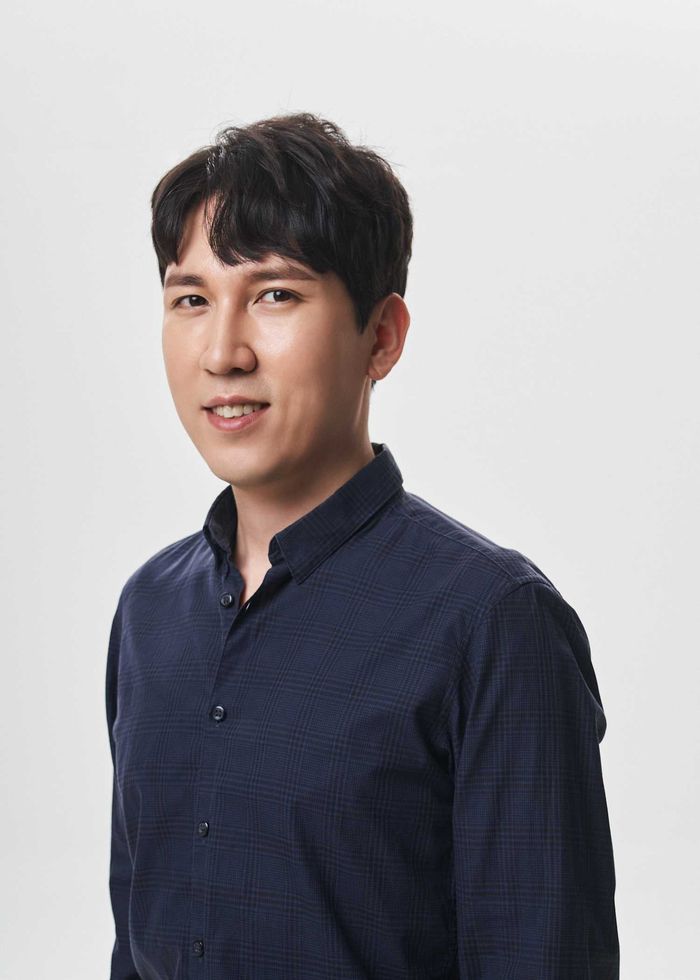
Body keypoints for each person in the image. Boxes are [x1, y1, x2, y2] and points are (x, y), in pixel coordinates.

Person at [105, 112, 620, 979]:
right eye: (191, 299)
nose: (223, 353)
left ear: (380, 337)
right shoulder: (149, 610)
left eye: (275, 295)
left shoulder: (493, 623)